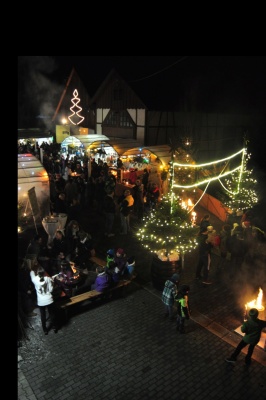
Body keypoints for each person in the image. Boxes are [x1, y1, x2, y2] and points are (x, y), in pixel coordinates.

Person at [30, 265, 59, 335]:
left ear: (37, 272)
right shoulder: (47, 278)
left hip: (41, 302)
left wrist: (31, 267)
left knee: (43, 316)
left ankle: (45, 330)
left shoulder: (34, 279)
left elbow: (31, 273)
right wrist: (52, 281)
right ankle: (54, 327)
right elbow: (51, 290)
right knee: (51, 314)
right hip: (49, 300)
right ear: (44, 273)